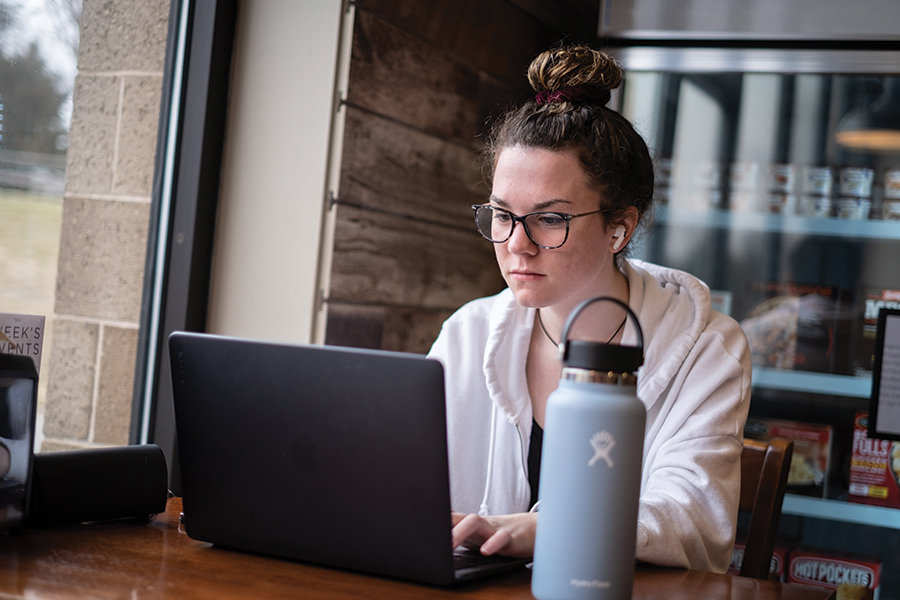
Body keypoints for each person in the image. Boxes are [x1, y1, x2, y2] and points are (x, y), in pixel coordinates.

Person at [426, 45, 752, 574]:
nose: (517, 244)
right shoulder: (468, 333)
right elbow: (405, 486)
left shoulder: (706, 347)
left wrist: (540, 530)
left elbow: (692, 520)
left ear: (619, 228)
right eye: (503, 215)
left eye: (550, 219)